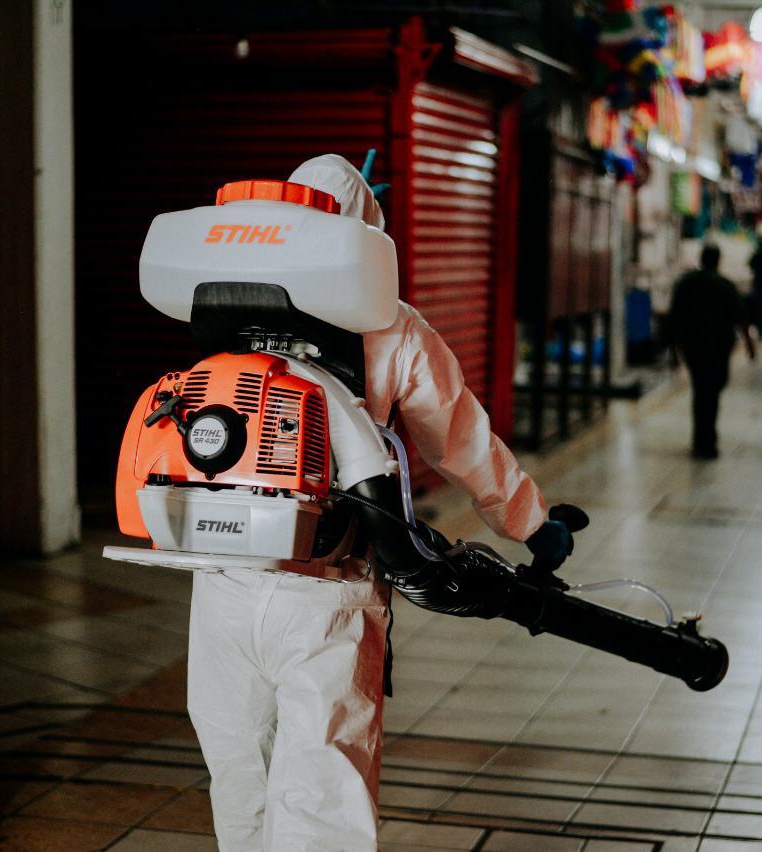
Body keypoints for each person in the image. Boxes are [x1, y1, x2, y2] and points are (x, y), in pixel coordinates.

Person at [186, 153, 585, 850]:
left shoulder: (222, 305)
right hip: (326, 592)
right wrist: (534, 523)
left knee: (239, 776)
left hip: (222, 576)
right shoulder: (391, 326)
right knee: (322, 795)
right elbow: (461, 442)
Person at [669, 243, 757, 459]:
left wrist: (672, 351)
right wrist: (749, 344)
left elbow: (674, 318)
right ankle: (708, 440)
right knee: (713, 392)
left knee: (700, 391)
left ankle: (701, 440)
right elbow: (741, 317)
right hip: (719, 347)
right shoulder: (725, 285)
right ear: (718, 260)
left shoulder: (686, 283)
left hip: (693, 346)